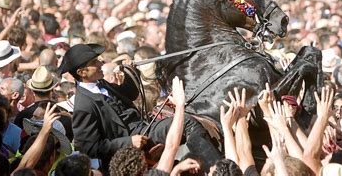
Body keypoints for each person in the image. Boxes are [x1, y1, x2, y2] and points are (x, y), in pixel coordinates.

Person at [58, 43, 220, 173]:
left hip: (145, 126)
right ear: (82, 72)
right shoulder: (83, 106)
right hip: (135, 143)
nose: (101, 63)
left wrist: (129, 70)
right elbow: (89, 148)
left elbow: (129, 93)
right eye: (95, 63)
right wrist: (128, 142)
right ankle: (218, 168)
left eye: (99, 59)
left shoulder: (100, 83)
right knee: (186, 122)